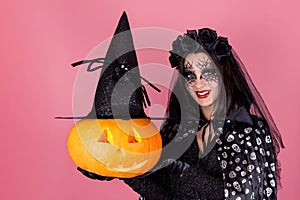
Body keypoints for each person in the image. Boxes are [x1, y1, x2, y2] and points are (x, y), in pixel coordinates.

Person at [79, 28, 284, 200]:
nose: (198, 83)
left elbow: (239, 195)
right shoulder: (177, 130)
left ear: (224, 75)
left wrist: (179, 169)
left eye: (208, 72)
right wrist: (121, 170)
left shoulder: (248, 132)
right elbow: (162, 195)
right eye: (190, 75)